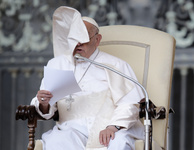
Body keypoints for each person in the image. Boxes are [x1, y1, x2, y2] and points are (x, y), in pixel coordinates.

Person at [31, 6, 144, 150]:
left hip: (109, 130)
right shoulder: (57, 64)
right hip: (71, 130)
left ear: (97, 40)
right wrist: (44, 103)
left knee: (119, 142)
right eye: (74, 39)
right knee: (56, 141)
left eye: (83, 39)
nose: (78, 44)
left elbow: (129, 103)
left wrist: (112, 127)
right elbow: (47, 107)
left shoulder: (116, 65)